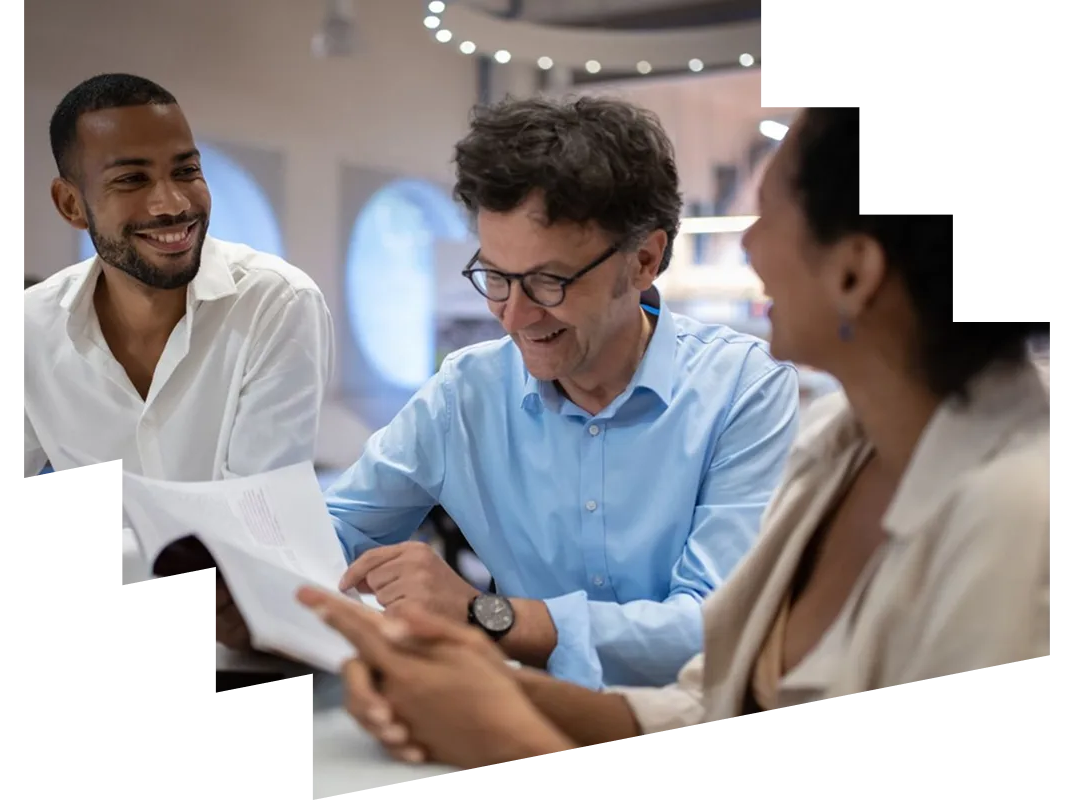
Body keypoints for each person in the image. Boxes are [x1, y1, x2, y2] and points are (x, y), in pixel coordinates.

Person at [297, 103, 1051, 768]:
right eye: (497, 278)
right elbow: (711, 697)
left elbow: (701, 645)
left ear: (854, 272)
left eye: (771, 214)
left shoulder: (1019, 517)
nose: (748, 246)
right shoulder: (840, 447)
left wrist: (506, 718)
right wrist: (484, 682)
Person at [215, 95, 800, 689]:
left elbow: (716, 626)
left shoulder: (744, 392)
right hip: (518, 715)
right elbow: (335, 535)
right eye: (494, 277)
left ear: (644, 260)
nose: (513, 316)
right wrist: (256, 591)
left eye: (549, 281)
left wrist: (487, 616)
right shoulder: (465, 394)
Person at [20, 74, 333, 523]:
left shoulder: (276, 303)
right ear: (71, 203)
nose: (171, 203)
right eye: (131, 179)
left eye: (186, 171)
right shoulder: (32, 324)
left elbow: (257, 528)